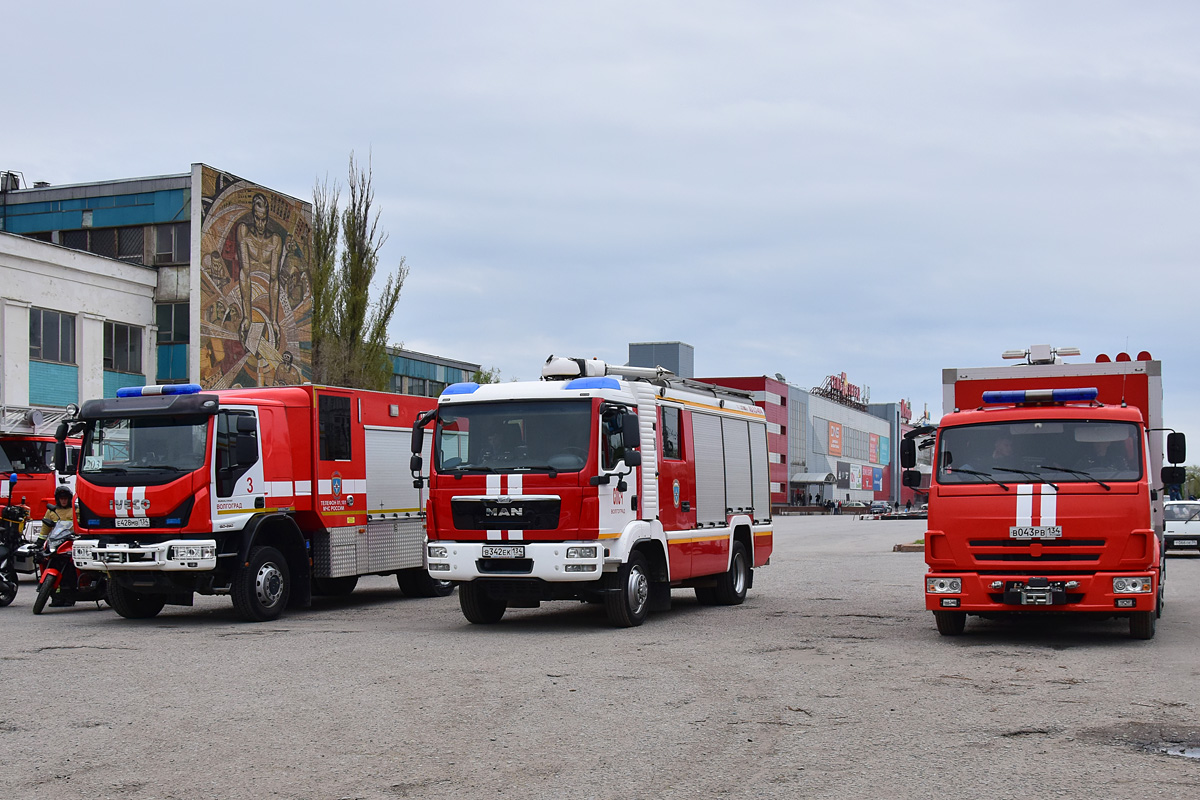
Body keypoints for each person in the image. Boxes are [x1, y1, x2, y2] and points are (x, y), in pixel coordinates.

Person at [39, 486, 75, 607]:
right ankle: (55, 597)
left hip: (71, 543)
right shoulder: (51, 511)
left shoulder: (75, 510)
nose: (63, 501)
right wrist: (39, 542)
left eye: (65, 498)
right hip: (55, 542)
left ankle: (70, 595)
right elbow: (45, 529)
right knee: (47, 562)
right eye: (61, 498)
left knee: (71, 569)